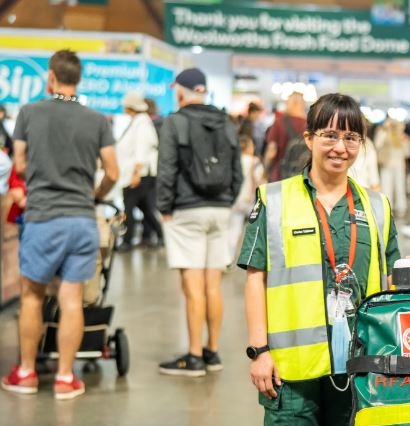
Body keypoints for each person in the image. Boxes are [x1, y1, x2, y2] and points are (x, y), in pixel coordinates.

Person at [238, 93, 399, 426]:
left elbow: (391, 285)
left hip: (356, 370)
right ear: (308, 139)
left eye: (351, 136)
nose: (340, 146)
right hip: (289, 368)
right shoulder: (276, 198)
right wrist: (257, 350)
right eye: (329, 134)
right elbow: (255, 276)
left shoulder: (375, 205)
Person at [1, 49, 118, 399]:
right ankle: (66, 378)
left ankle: (27, 373)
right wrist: (95, 194)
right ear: (77, 79)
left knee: (33, 297)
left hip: (42, 218)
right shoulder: (97, 120)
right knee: (72, 300)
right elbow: (113, 172)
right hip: (82, 220)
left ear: (51, 76)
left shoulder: (29, 113)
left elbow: (19, 164)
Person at [156, 67, 242, 376]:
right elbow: (238, 171)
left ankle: (193, 356)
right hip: (219, 210)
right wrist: (227, 202)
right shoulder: (226, 122)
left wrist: (164, 207)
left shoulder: (174, 122)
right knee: (213, 285)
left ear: (181, 92)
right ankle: (212, 352)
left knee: (192, 288)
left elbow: (166, 169)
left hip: (186, 210)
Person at [115, 91, 161, 251]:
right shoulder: (139, 121)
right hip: (138, 173)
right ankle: (161, 235)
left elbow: (142, 149)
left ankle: (127, 241)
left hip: (138, 174)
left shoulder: (141, 123)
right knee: (144, 207)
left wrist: (136, 174)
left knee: (129, 206)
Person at [228, 134, 265, 260]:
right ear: (248, 147)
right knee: (258, 230)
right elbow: (261, 182)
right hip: (250, 201)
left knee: (234, 229)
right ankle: (255, 258)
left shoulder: (233, 159)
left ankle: (228, 258)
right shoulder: (255, 161)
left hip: (235, 199)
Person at [264, 91, 307, 182]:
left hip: (280, 176)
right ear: (303, 105)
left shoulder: (279, 123)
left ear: (289, 104)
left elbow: (271, 152)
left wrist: (265, 170)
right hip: (303, 177)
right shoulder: (311, 125)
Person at [374, 117, 410, 215]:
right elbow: (377, 145)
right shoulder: (385, 135)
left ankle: (398, 209)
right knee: (389, 189)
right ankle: (390, 209)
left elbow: (408, 153)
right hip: (387, 165)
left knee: (397, 188)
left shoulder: (401, 137)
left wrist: (403, 141)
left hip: (397, 166)